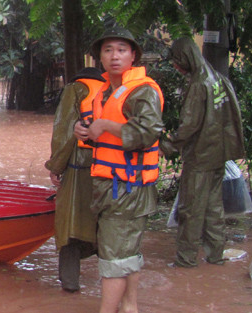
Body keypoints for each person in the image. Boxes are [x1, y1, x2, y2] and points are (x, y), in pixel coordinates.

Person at [74, 25, 163, 313]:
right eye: (108, 50)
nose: (115, 56)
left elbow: (148, 132)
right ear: (99, 57)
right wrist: (83, 131)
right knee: (125, 251)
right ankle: (129, 306)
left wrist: (107, 126)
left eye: (121, 50)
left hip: (126, 187)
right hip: (113, 185)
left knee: (113, 257)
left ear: (133, 55)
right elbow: (100, 138)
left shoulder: (141, 92)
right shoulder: (104, 92)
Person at [159, 37, 245, 268]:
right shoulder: (216, 77)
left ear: (185, 58)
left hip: (200, 157)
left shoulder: (199, 83)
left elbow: (189, 125)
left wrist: (167, 145)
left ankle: (185, 260)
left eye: (177, 61)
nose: (176, 66)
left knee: (191, 209)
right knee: (213, 209)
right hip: (217, 155)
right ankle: (215, 256)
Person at [44, 67, 105, 292]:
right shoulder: (112, 89)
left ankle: (70, 283)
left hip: (79, 165)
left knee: (69, 223)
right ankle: (111, 287)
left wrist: (55, 166)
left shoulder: (75, 89)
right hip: (110, 166)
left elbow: (64, 130)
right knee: (104, 223)